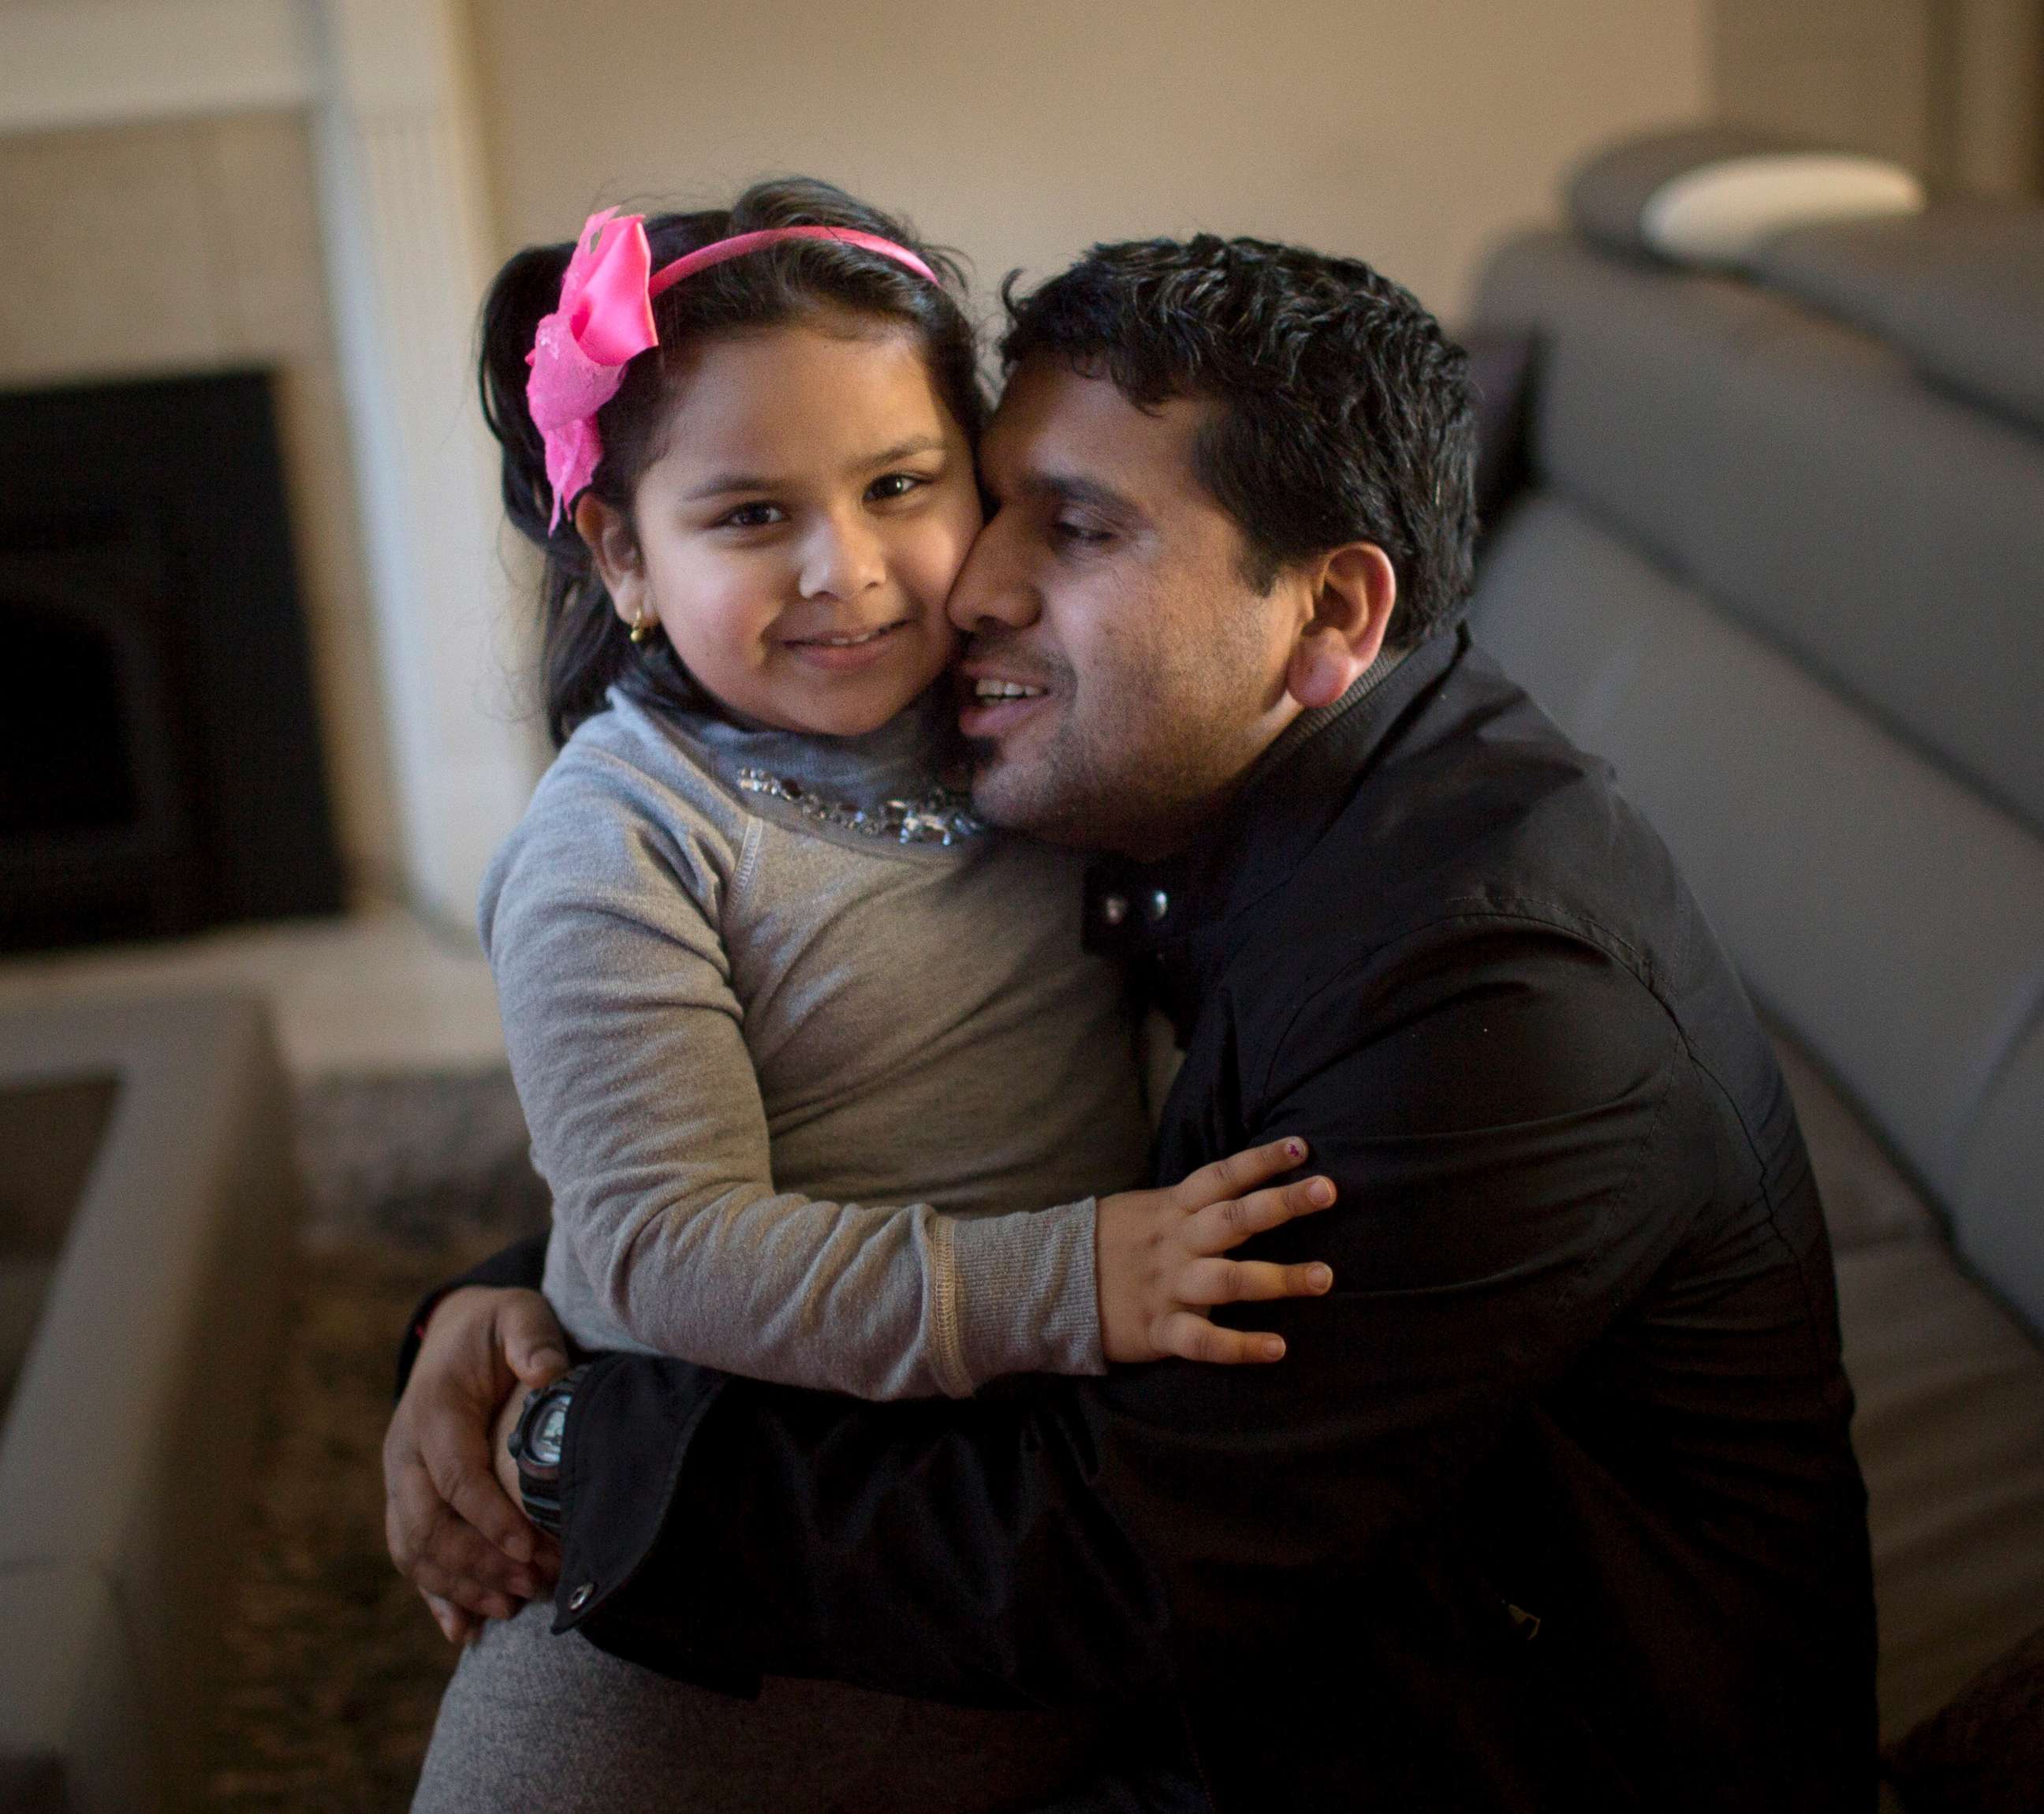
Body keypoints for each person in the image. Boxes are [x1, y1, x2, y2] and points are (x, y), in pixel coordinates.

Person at [390, 230, 1879, 1812]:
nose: (969, 585)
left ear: (1330, 611)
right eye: (1001, 495)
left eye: (1080, 528)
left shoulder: (1490, 1003)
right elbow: (861, 1097)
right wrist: (507, 1309)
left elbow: (1088, 1563)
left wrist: (569, 1444)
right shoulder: (1183, 780)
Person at [403, 181, 1338, 1811]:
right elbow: (653, 1252)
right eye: (751, 516)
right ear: (623, 553)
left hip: (1015, 1548)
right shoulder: (618, 842)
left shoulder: (1032, 719)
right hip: (735, 1598)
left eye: (901, 485)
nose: (850, 569)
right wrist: (1079, 1277)